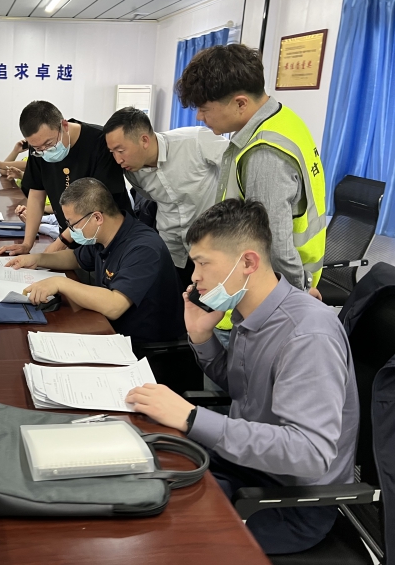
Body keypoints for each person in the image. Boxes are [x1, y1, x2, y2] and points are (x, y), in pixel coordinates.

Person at [125, 199, 359, 555]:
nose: (194, 277)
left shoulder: (307, 335)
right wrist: (201, 337)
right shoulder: (252, 312)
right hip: (245, 467)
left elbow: (309, 453)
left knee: (159, 537)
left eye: (203, 263)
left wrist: (191, 418)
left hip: (288, 502)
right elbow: (242, 388)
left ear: (248, 262)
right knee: (141, 479)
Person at [176, 44, 326, 294]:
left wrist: (295, 298)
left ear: (240, 103)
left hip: (265, 294)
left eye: (204, 109)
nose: (199, 117)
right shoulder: (284, 120)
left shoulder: (264, 153)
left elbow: (274, 245)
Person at [6, 178, 184, 343]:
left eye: (72, 224)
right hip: (109, 328)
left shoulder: (143, 248)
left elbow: (115, 305)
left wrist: (60, 283)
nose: (71, 230)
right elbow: (75, 258)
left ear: (97, 217)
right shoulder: (105, 235)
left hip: (142, 346)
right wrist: (37, 258)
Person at [104, 107, 228, 289]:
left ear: (144, 140)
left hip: (214, 242)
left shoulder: (195, 141)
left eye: (120, 150)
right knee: (177, 298)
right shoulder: (132, 172)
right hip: (172, 248)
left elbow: (237, 166)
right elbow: (151, 198)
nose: (117, 160)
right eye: (112, 152)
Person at [0, 101, 131, 256]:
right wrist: (27, 244)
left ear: (64, 126)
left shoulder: (100, 142)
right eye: (38, 148)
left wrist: (59, 244)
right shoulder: (39, 149)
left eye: (49, 144)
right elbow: (36, 194)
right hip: (75, 237)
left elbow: (97, 205)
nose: (45, 152)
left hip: (110, 240)